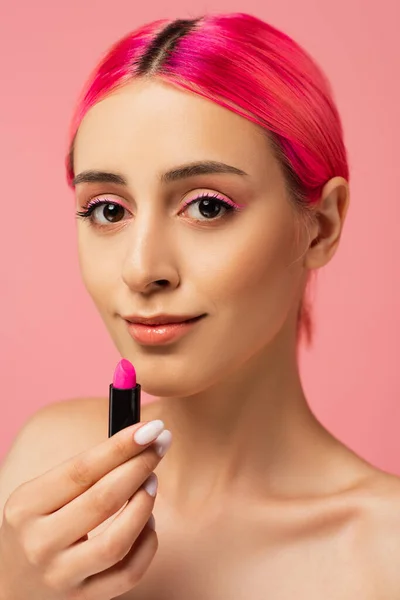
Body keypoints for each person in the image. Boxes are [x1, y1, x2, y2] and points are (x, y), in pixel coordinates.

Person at [0, 11, 399, 600]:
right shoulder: (48, 463)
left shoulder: (383, 554)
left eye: (206, 206)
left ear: (320, 226)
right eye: (108, 209)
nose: (141, 269)